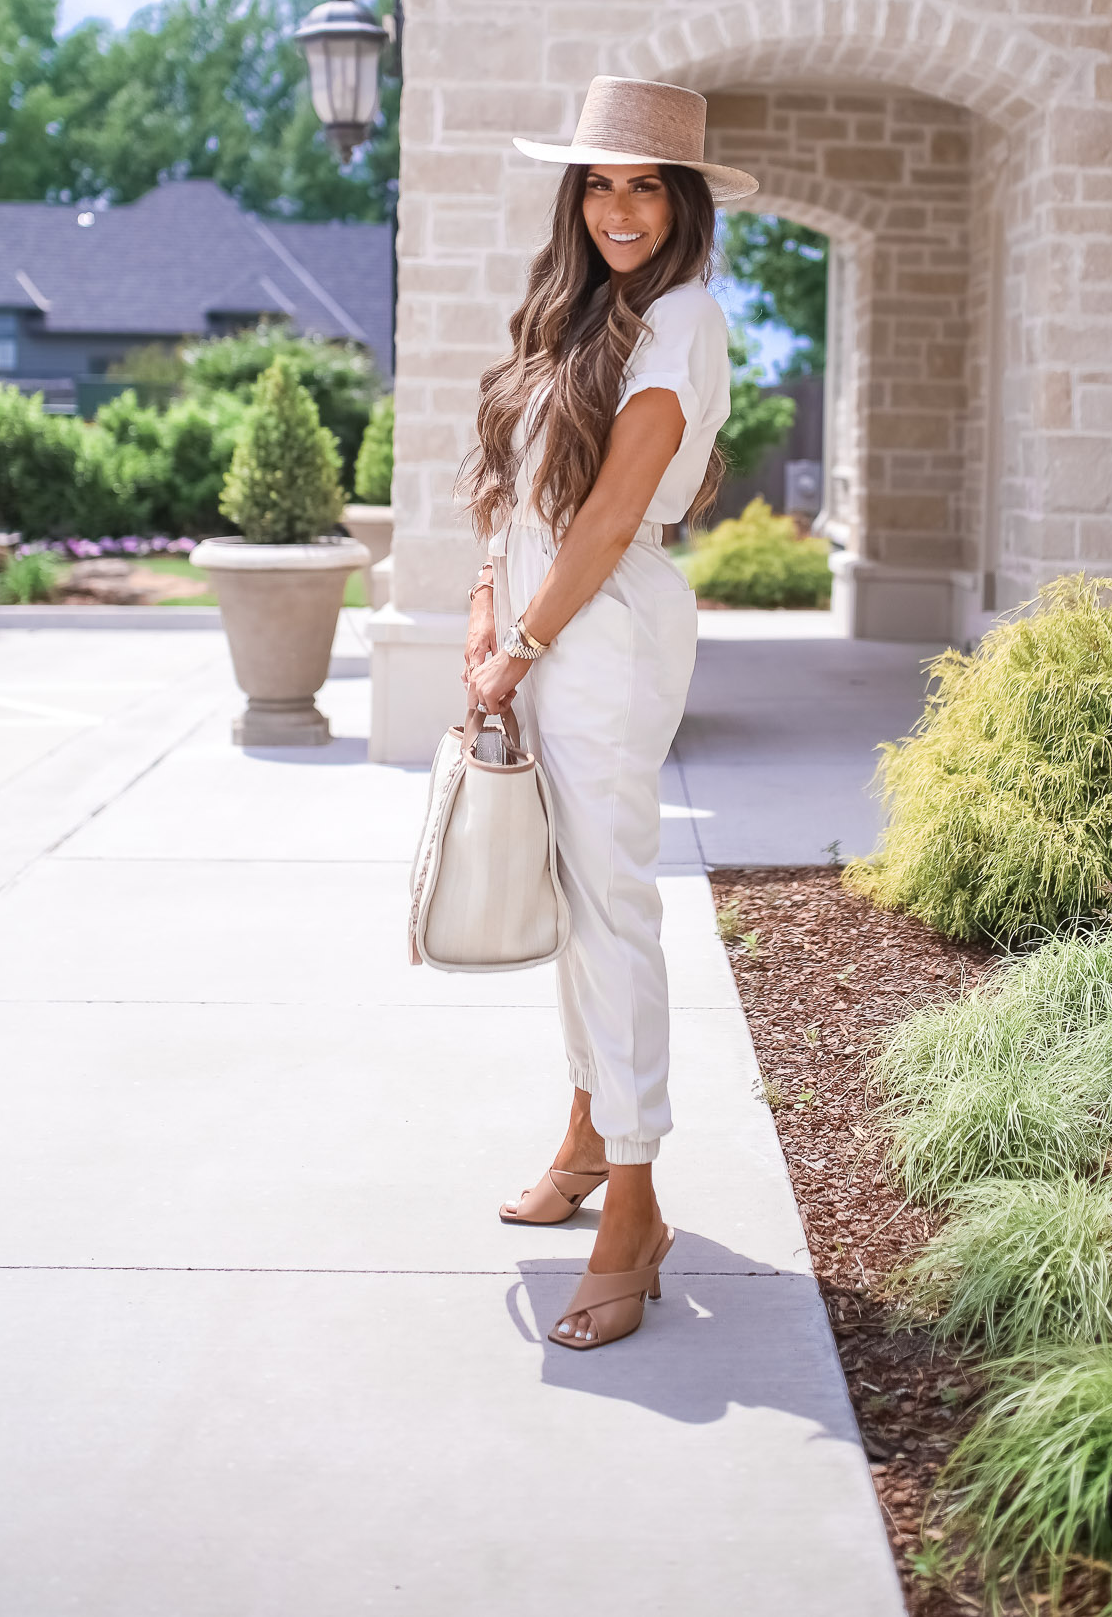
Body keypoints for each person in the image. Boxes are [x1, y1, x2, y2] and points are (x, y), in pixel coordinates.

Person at [461, 75, 758, 1354]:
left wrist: (522, 645)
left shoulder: (680, 320)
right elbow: (523, 493)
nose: (620, 207)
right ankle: (589, 1134)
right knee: (578, 897)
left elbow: (613, 514)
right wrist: (486, 601)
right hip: (540, 612)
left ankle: (633, 1202)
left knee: (614, 904)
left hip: (600, 627)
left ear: (683, 201)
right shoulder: (588, 314)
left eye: (645, 184)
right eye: (600, 182)